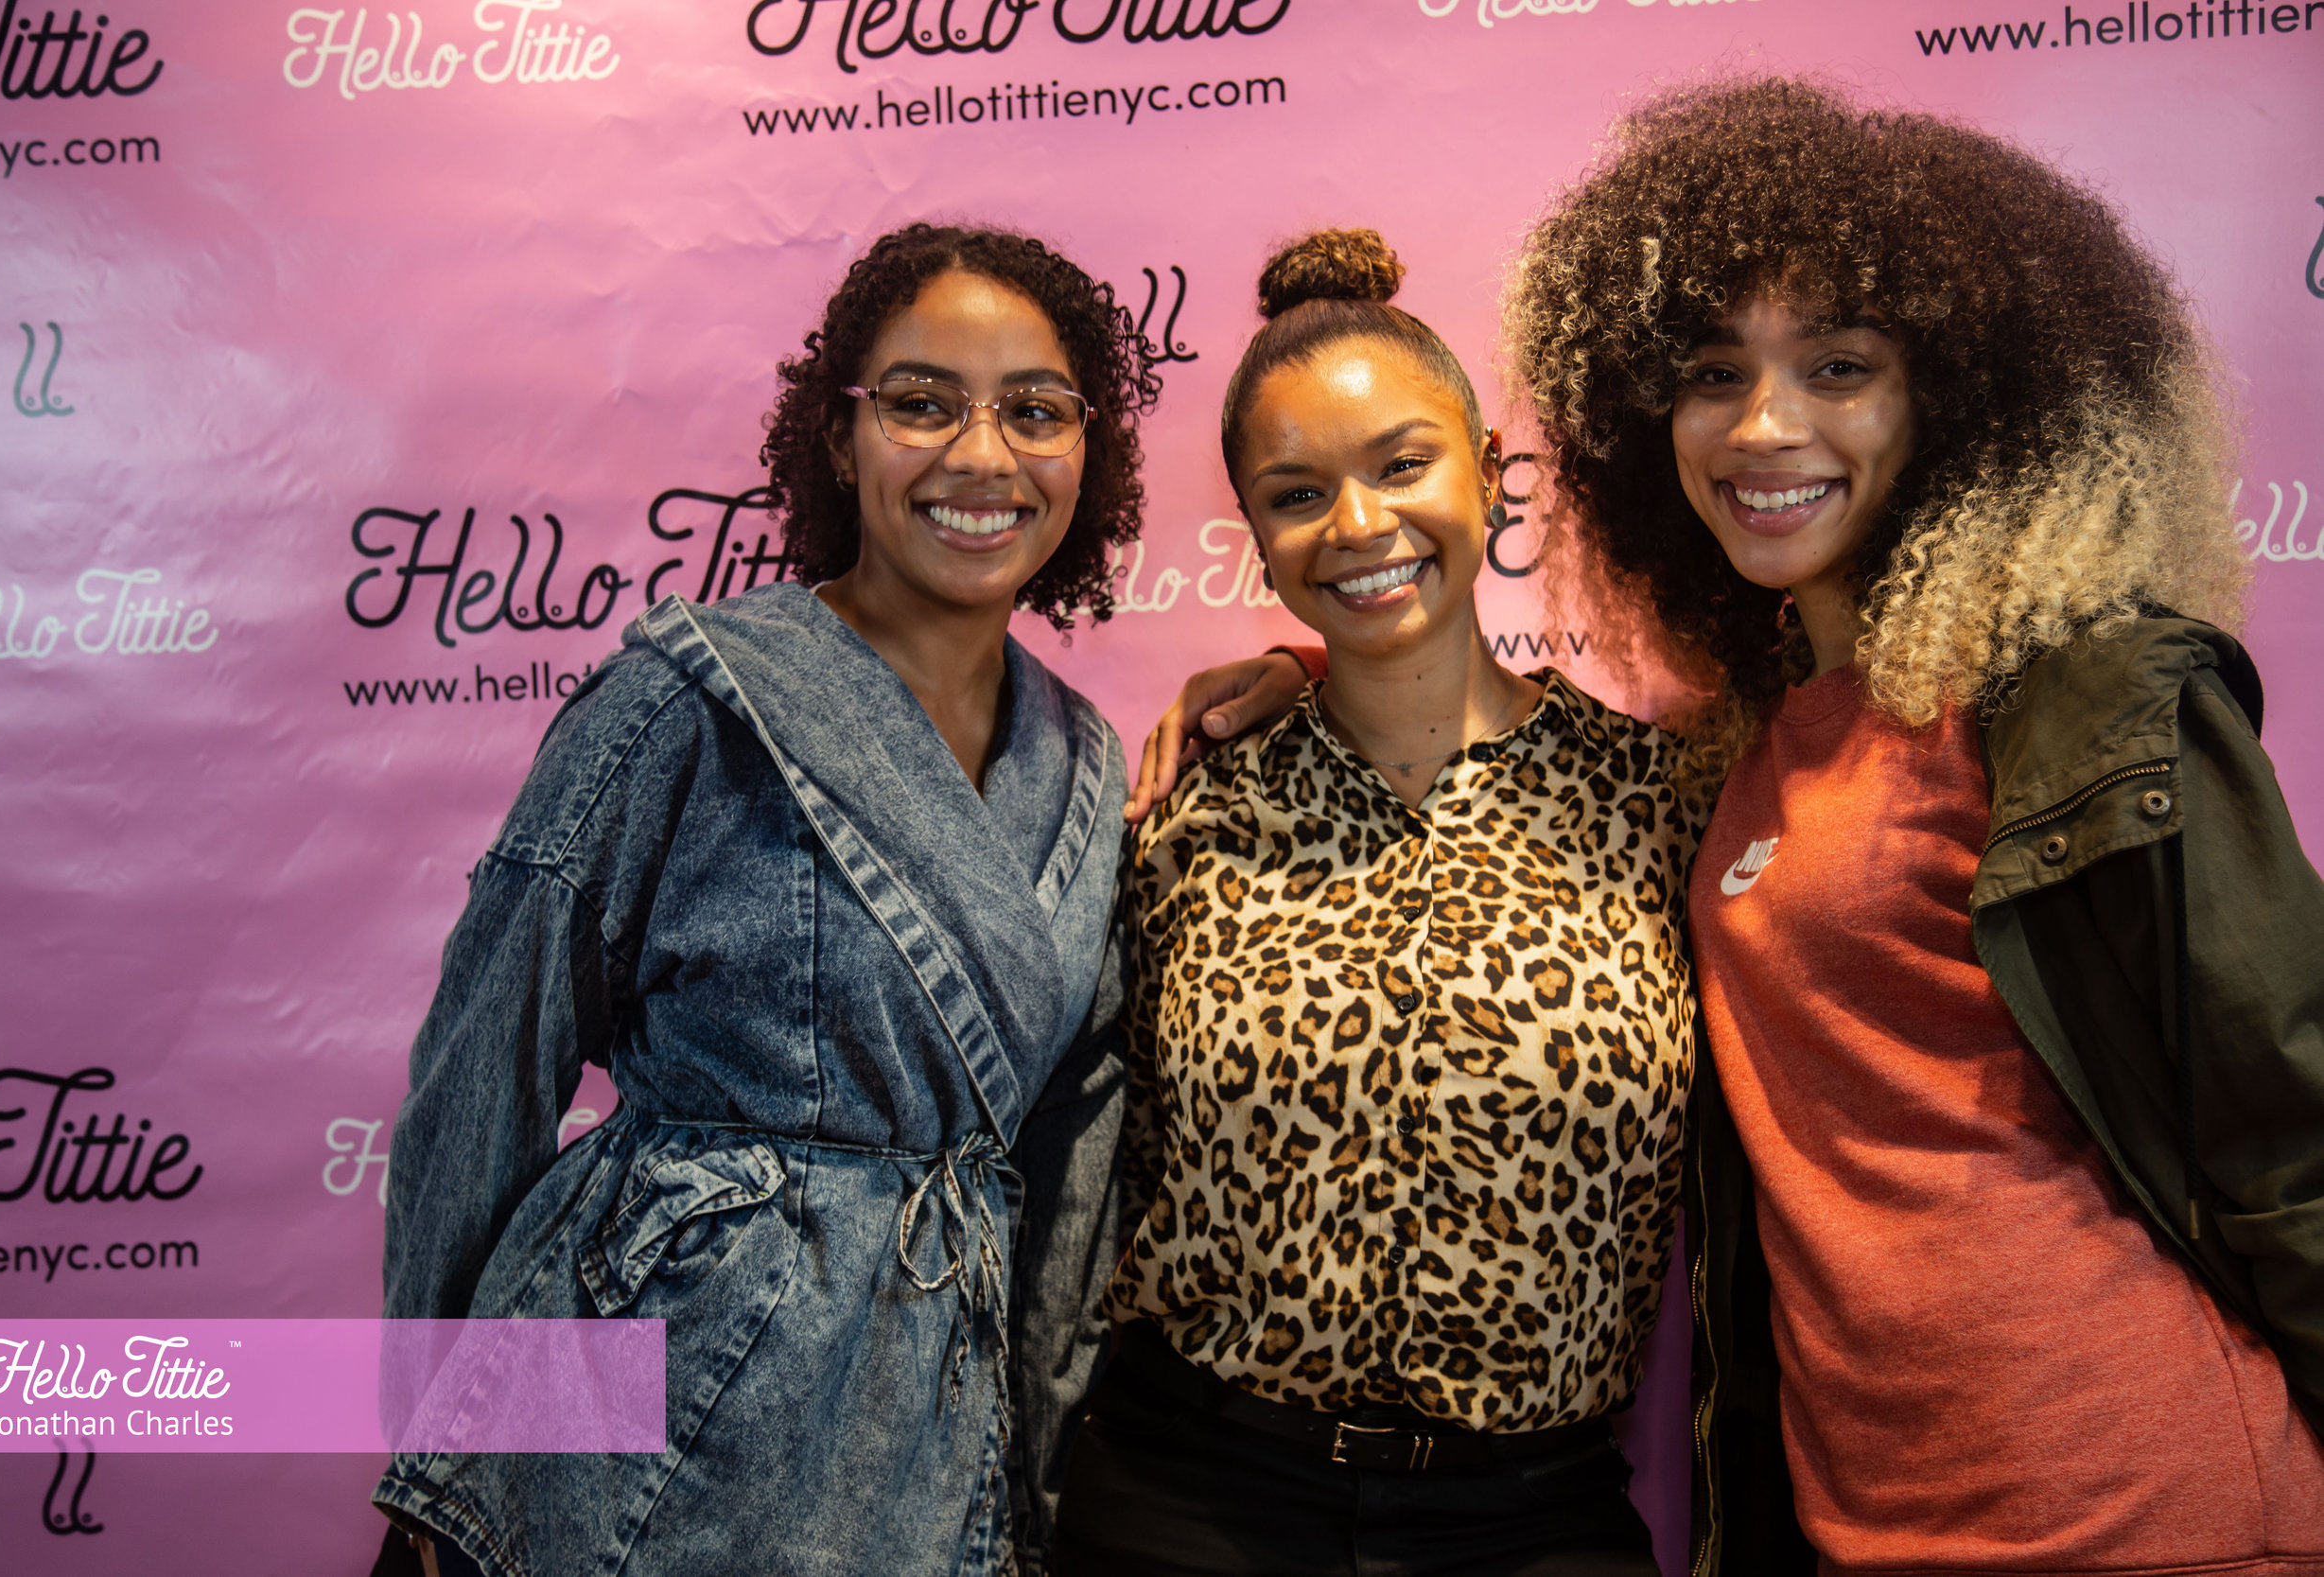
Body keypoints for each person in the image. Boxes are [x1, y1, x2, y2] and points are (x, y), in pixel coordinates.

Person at [1138, 80, 2324, 1577]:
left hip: (2158, 1523)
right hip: (1861, 1534)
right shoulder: (1740, 757)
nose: (1766, 424)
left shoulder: (2087, 697)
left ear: (1957, 394)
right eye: (1714, 373)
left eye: (1839, 365)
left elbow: (2294, 1139)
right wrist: (1320, 674)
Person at [370, 222, 1157, 1577]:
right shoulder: (687, 700)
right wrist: (435, 1448)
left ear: (1087, 451)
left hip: (929, 1454)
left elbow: (1070, 1165)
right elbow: (483, 1072)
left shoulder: (1084, 760)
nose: (983, 456)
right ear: (840, 440)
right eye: (923, 403)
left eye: (1035, 410)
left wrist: (1029, 1479)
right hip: (642, 1420)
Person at [1055, 228, 1686, 1577]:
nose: (1356, 526)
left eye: (1402, 466)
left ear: (1491, 475)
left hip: (1533, 1515)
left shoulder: (1660, 806)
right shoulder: (1187, 817)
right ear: (1257, 539)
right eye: (1298, 494)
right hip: (1191, 1498)